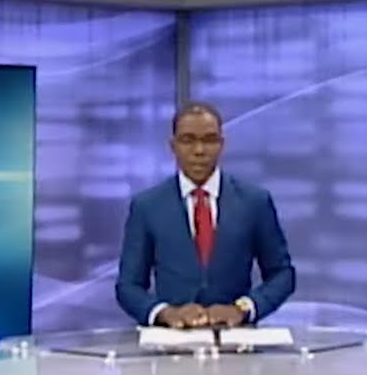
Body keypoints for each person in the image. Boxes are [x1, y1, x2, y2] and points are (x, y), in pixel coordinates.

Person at [116, 102, 295, 329]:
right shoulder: (147, 206)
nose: (199, 150)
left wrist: (242, 309)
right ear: (173, 146)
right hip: (170, 340)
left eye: (209, 140)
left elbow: (282, 274)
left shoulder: (254, 202)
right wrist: (165, 313)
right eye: (188, 140)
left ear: (221, 144)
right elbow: (128, 286)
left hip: (236, 338)